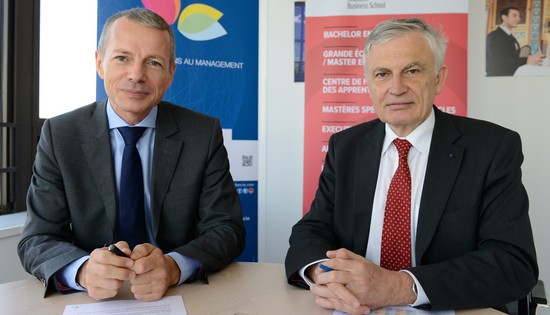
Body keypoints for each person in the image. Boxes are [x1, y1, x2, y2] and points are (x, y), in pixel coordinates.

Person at [285, 18, 538, 314]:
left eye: (412, 71)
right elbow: (311, 230)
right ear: (369, 83)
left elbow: (512, 262)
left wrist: (397, 287)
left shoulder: (492, 148)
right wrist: (327, 276)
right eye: (382, 74)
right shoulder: (346, 147)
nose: (396, 88)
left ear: (439, 78)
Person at [18, 8, 245, 302]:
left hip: (178, 295)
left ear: (170, 73)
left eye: (152, 62)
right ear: (100, 64)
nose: (136, 75)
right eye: (122, 58)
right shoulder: (60, 135)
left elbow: (227, 229)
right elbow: (37, 238)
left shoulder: (202, 134)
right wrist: (84, 271)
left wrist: (174, 266)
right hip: (92, 300)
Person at [486, 6, 543, 76]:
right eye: (514, 15)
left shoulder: (511, 37)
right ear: (504, 17)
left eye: (519, 16)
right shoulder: (494, 36)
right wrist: (526, 60)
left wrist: (531, 58)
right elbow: (498, 63)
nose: (518, 19)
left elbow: (513, 58)